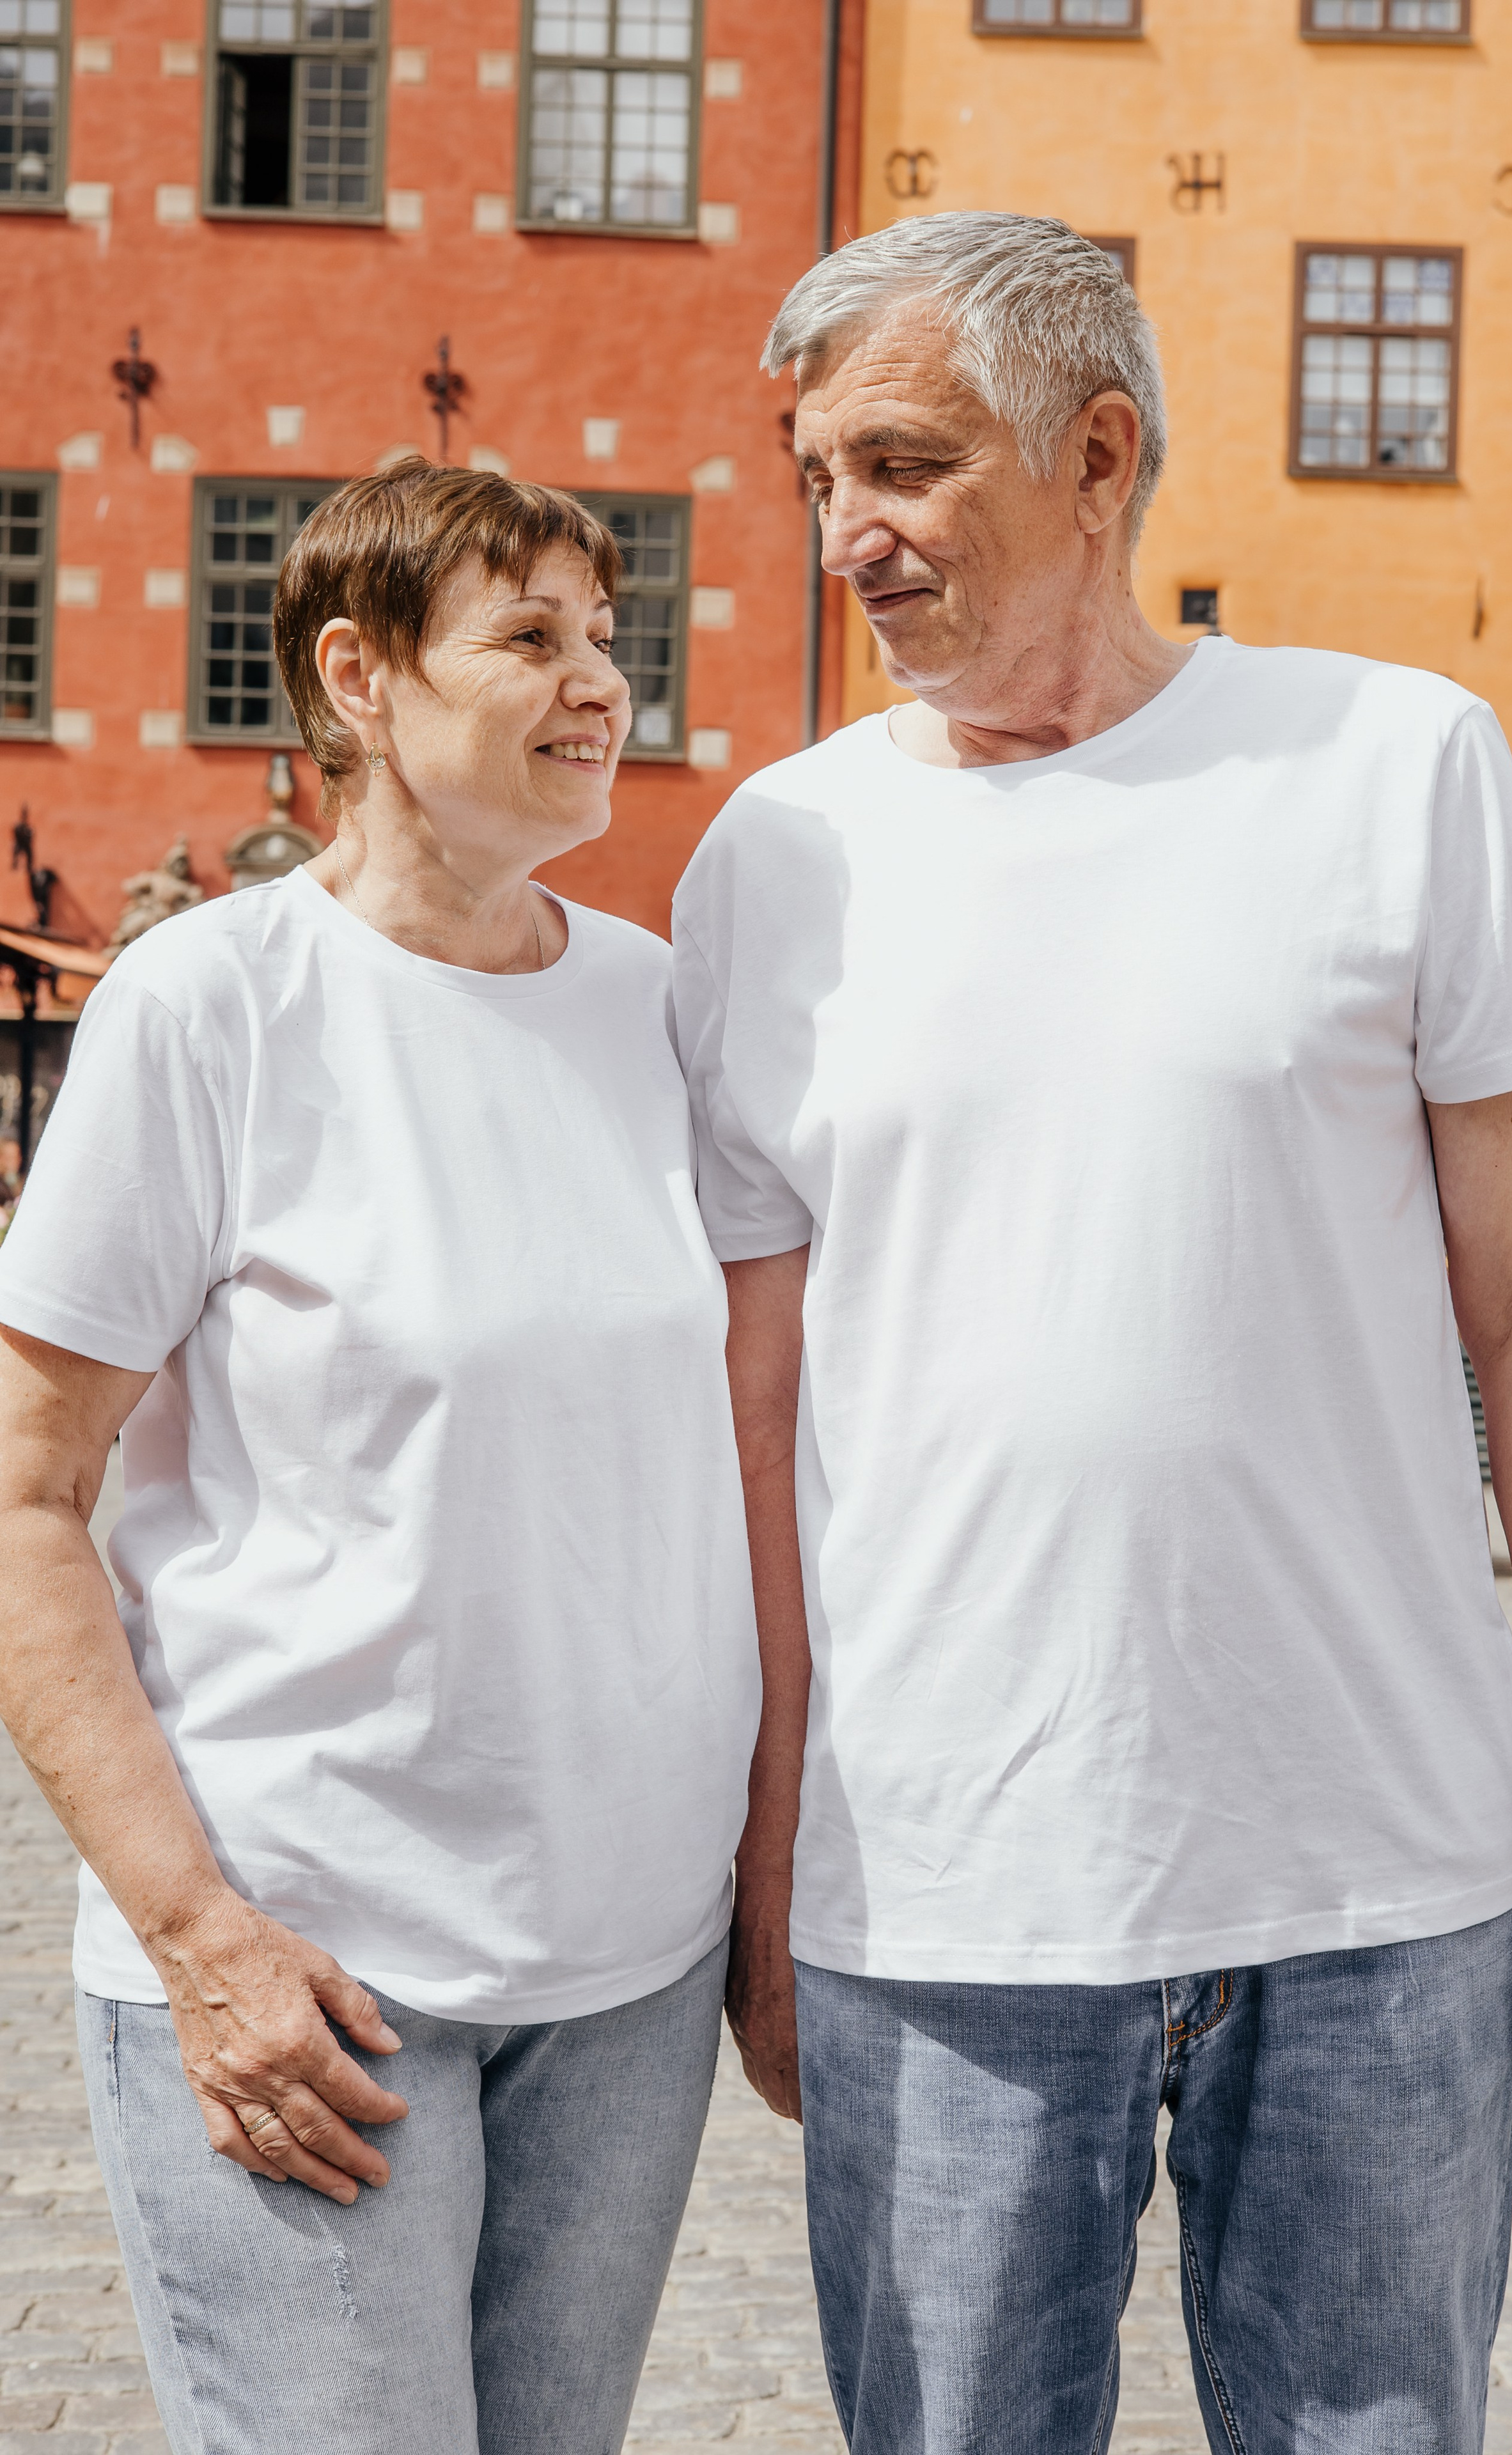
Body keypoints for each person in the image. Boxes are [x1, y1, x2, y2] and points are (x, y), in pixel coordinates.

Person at [672, 215, 1512, 2455]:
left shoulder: (1394, 764)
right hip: (938, 1890)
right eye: (818, 475)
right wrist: (768, 1874)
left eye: (902, 464)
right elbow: (758, 1412)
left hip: (1371, 1888)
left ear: (1098, 453)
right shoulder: (774, 860)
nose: (849, 536)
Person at [0, 460, 759, 2455]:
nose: (603, 681)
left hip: (626, 1974)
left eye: (609, 635)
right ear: (359, 674)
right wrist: (198, 1939)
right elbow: (24, 1501)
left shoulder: (658, 1014)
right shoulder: (209, 1006)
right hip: (314, 1967)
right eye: (532, 637)